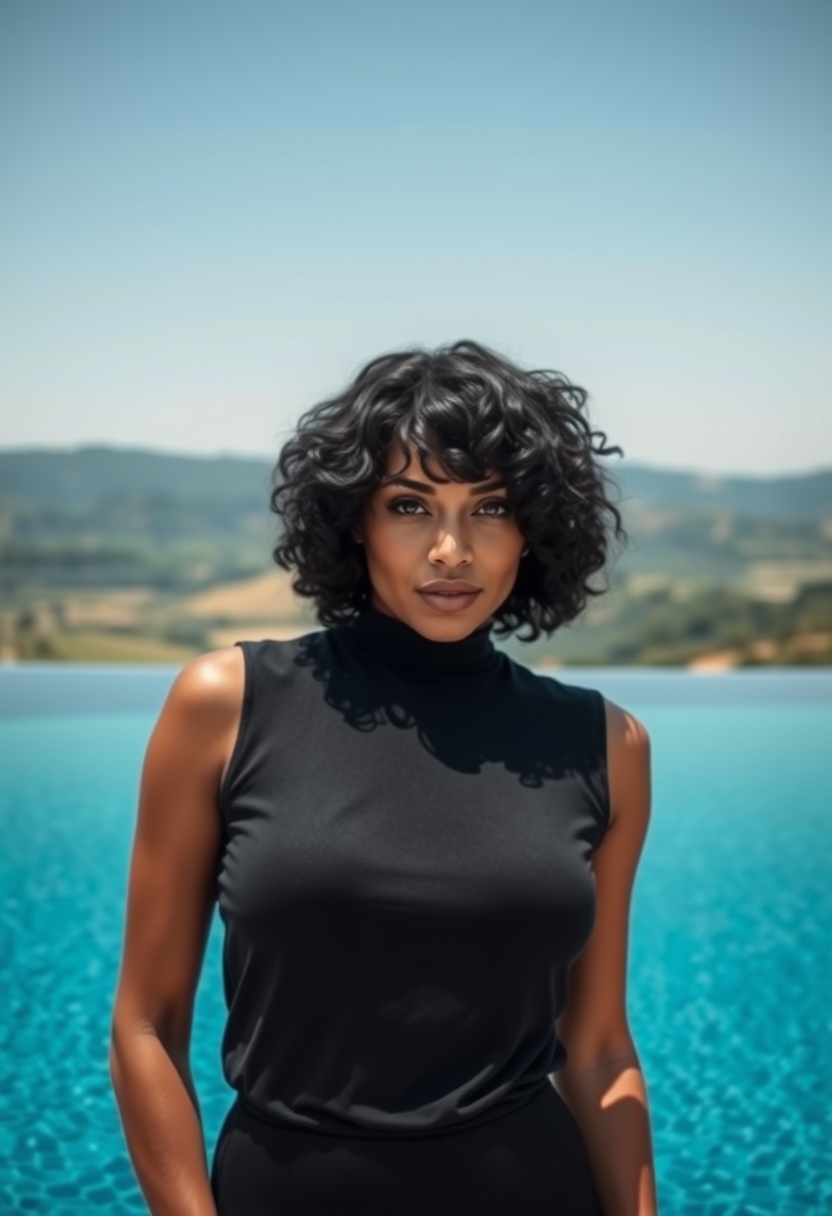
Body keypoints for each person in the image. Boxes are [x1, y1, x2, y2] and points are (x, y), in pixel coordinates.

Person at [109, 339, 658, 1215]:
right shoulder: (224, 704)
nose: (451, 549)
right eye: (410, 505)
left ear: (534, 531)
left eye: (491, 508)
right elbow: (144, 1025)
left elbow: (596, 1049)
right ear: (353, 520)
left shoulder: (604, 742)